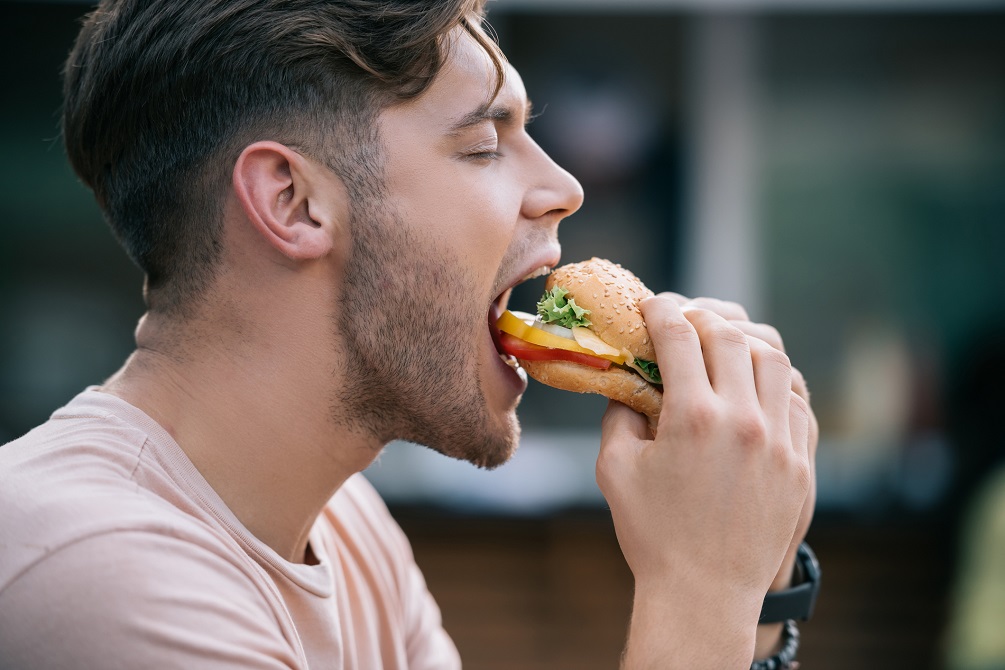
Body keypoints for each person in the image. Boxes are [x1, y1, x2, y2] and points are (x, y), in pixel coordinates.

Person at [0, 1, 818, 668]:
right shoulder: (99, 570)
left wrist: (754, 587)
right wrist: (700, 585)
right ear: (292, 201)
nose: (564, 187)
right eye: (483, 144)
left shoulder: (348, 530)